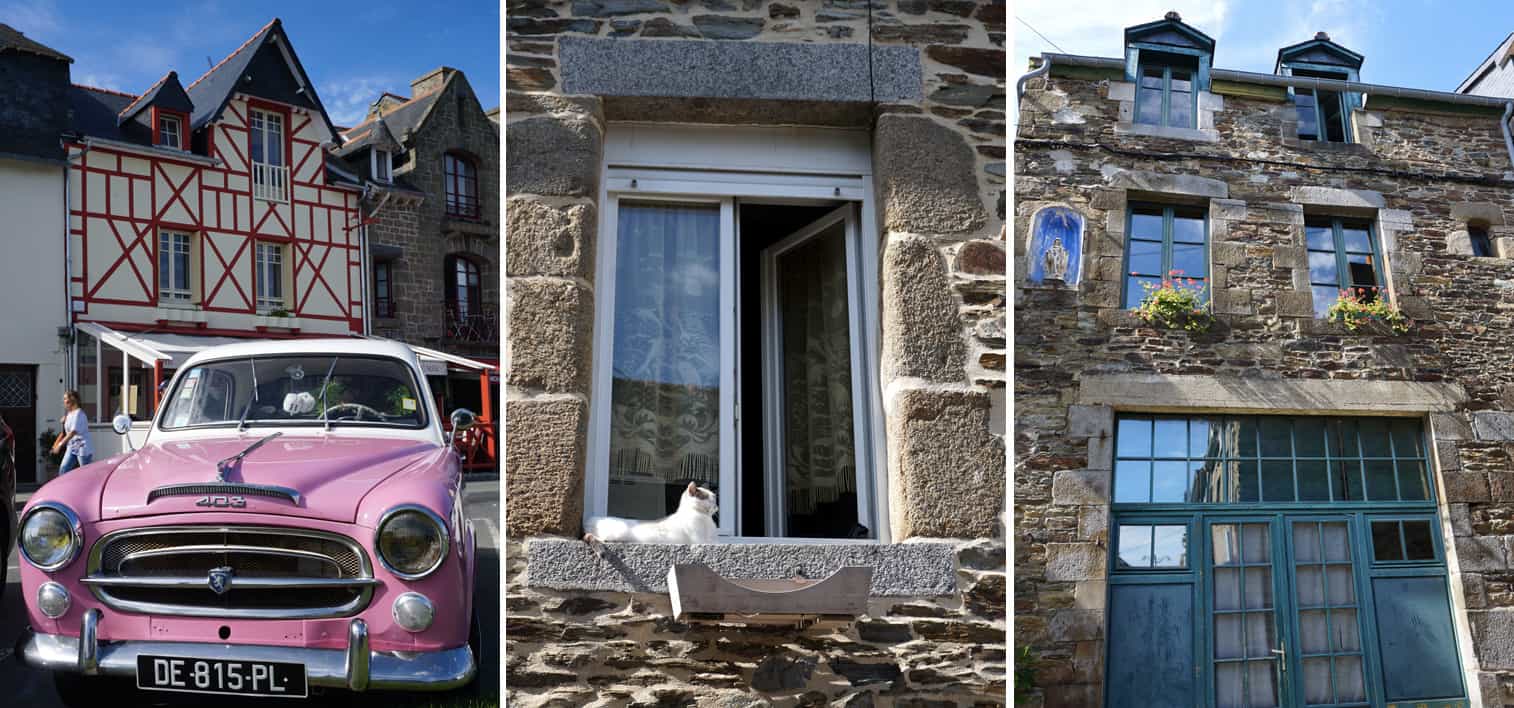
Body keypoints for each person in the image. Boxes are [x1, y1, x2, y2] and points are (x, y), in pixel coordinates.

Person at [52, 390, 94, 474]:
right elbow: (65, 433)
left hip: (82, 448)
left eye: (65, 399)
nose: (64, 401)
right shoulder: (69, 414)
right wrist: (64, 423)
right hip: (72, 447)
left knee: (86, 474)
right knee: (63, 471)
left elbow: (72, 432)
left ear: (72, 399)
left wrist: (60, 446)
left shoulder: (79, 414)